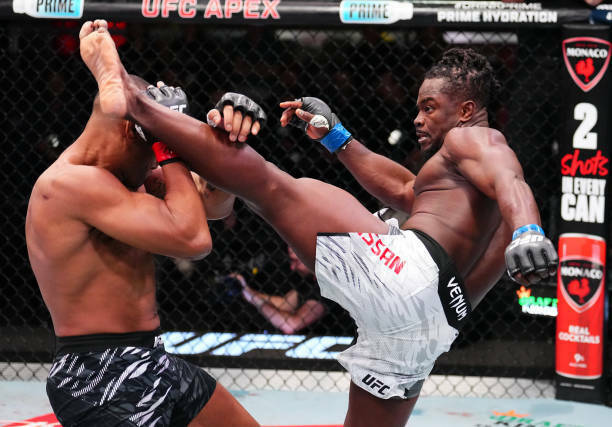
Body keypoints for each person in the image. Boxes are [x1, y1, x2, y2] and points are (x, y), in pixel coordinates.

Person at [79, 20, 558, 426]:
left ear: (467, 110)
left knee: (274, 188)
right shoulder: (459, 184)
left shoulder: (477, 139)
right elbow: (405, 190)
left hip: (409, 274)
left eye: (429, 107)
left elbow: (510, 178)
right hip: (431, 327)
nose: (417, 118)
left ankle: (141, 106)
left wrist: (529, 230)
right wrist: (338, 137)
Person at [25, 20, 260, 427]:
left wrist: (225, 144)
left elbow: (215, 204)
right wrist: (167, 144)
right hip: (98, 374)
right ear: (129, 130)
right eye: (151, 144)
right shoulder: (68, 184)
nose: (155, 164)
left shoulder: (126, 177)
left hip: (153, 358)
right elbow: (194, 238)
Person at [232, 246, 326, 335]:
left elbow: (290, 326)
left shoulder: (327, 285)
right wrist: (245, 289)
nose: (292, 267)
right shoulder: (309, 282)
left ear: (311, 256)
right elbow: (284, 304)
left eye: (296, 261)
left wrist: (252, 297)